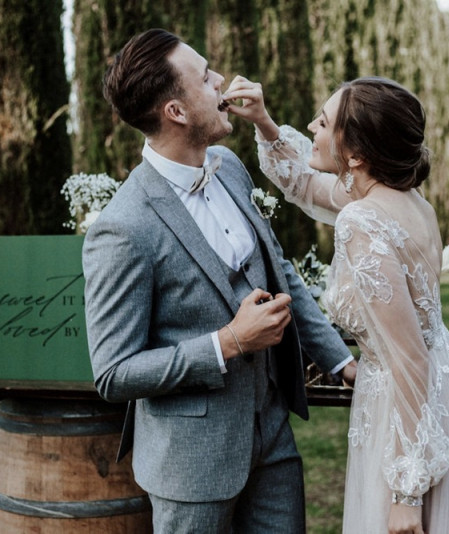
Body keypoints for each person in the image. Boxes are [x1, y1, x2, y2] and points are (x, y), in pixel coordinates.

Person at [82, 29, 357, 533]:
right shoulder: (123, 228)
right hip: (192, 469)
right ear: (177, 112)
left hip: (273, 440)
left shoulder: (229, 166)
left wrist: (341, 361)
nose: (223, 83)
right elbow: (114, 373)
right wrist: (229, 342)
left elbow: (280, 273)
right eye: (207, 78)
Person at [226, 75, 449, 533]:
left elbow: (408, 360)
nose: (310, 127)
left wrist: (408, 489)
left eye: (322, 123)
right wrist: (264, 121)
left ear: (357, 154)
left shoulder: (362, 220)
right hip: (442, 387)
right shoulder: (404, 199)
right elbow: (305, 186)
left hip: (407, 405)